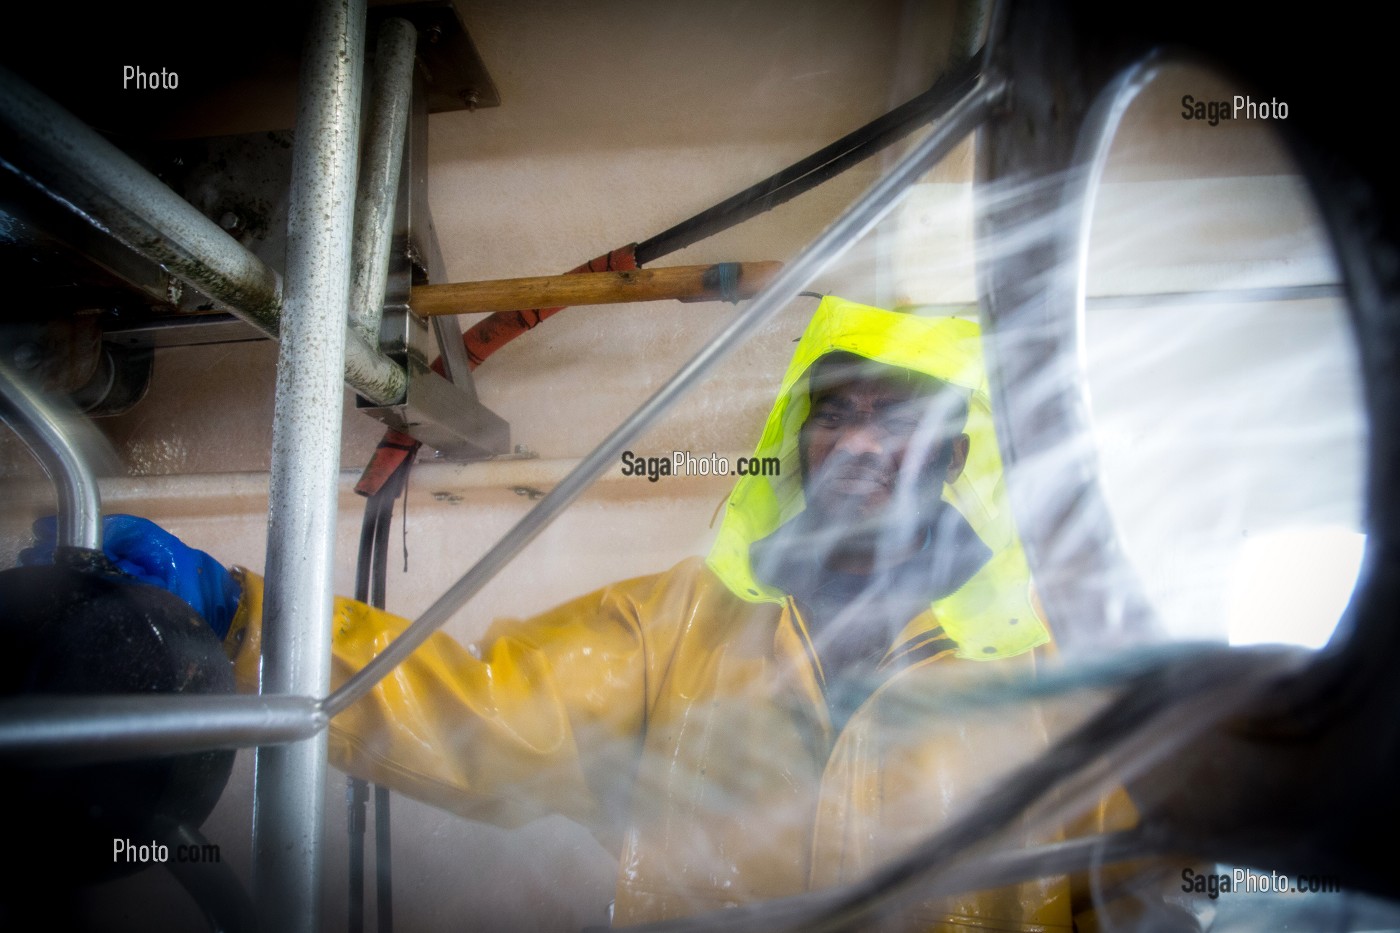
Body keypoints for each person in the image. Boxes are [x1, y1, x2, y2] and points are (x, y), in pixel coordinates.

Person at [29, 297, 1151, 930]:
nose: (856, 442)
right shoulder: (680, 626)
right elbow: (474, 717)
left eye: (897, 420)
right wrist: (241, 613)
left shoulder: (1055, 682)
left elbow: (1139, 897)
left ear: (957, 457)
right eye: (834, 412)